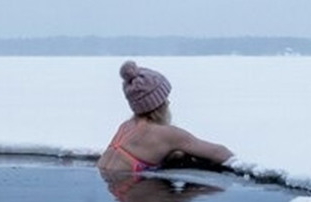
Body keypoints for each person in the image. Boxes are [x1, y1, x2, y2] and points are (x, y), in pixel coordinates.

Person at [97, 60, 235, 173]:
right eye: (165, 99)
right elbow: (220, 153)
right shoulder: (166, 134)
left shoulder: (125, 126)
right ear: (158, 104)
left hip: (114, 192)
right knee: (191, 192)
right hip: (134, 192)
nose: (168, 102)